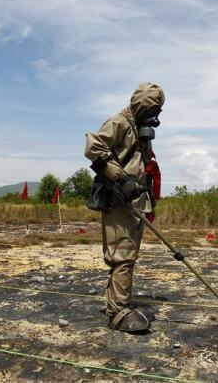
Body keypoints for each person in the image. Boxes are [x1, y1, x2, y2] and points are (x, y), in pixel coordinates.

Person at [84, 83, 164, 332]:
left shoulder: (138, 128)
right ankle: (117, 313)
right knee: (123, 256)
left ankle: (119, 302)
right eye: (152, 109)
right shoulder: (119, 122)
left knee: (129, 256)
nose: (155, 116)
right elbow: (93, 147)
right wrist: (120, 179)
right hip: (120, 201)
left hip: (135, 203)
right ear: (141, 105)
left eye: (158, 111)